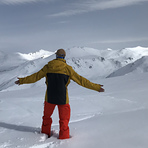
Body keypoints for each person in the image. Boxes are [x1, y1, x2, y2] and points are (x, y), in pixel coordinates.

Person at [15, 49, 104, 139]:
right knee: (64, 120)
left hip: (49, 97)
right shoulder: (68, 69)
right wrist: (96, 87)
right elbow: (81, 80)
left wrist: (22, 80)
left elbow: (35, 77)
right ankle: (64, 138)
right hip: (63, 99)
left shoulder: (48, 66)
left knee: (46, 117)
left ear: (56, 56)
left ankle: (45, 134)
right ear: (64, 57)